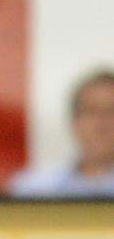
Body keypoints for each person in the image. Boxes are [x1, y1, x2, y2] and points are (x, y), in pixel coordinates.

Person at [9, 69, 114, 198]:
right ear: (74, 122)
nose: (102, 123)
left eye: (111, 111)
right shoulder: (33, 189)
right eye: (92, 111)